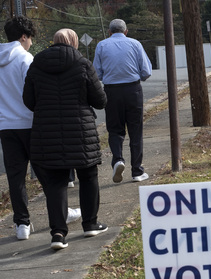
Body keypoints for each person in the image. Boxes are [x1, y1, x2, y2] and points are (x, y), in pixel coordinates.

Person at [23, 28, 108, 250]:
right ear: (74, 42)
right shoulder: (83, 64)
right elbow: (100, 100)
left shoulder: (36, 65)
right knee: (88, 175)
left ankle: (58, 234)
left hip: (46, 131)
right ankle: (90, 223)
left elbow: (29, 101)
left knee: (55, 183)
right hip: (81, 131)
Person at [93, 19, 152, 183]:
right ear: (126, 31)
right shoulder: (135, 44)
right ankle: (137, 171)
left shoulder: (102, 45)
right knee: (135, 130)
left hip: (111, 91)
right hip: (133, 89)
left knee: (114, 129)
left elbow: (96, 73)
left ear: (109, 32)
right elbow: (146, 71)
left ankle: (118, 159)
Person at [0, 16, 36, 240]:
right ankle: (59, 214)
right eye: (30, 37)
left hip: (5, 125)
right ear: (24, 36)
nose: (31, 42)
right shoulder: (25, 59)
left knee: (15, 175)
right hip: (28, 122)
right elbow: (32, 92)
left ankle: (21, 223)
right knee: (46, 171)